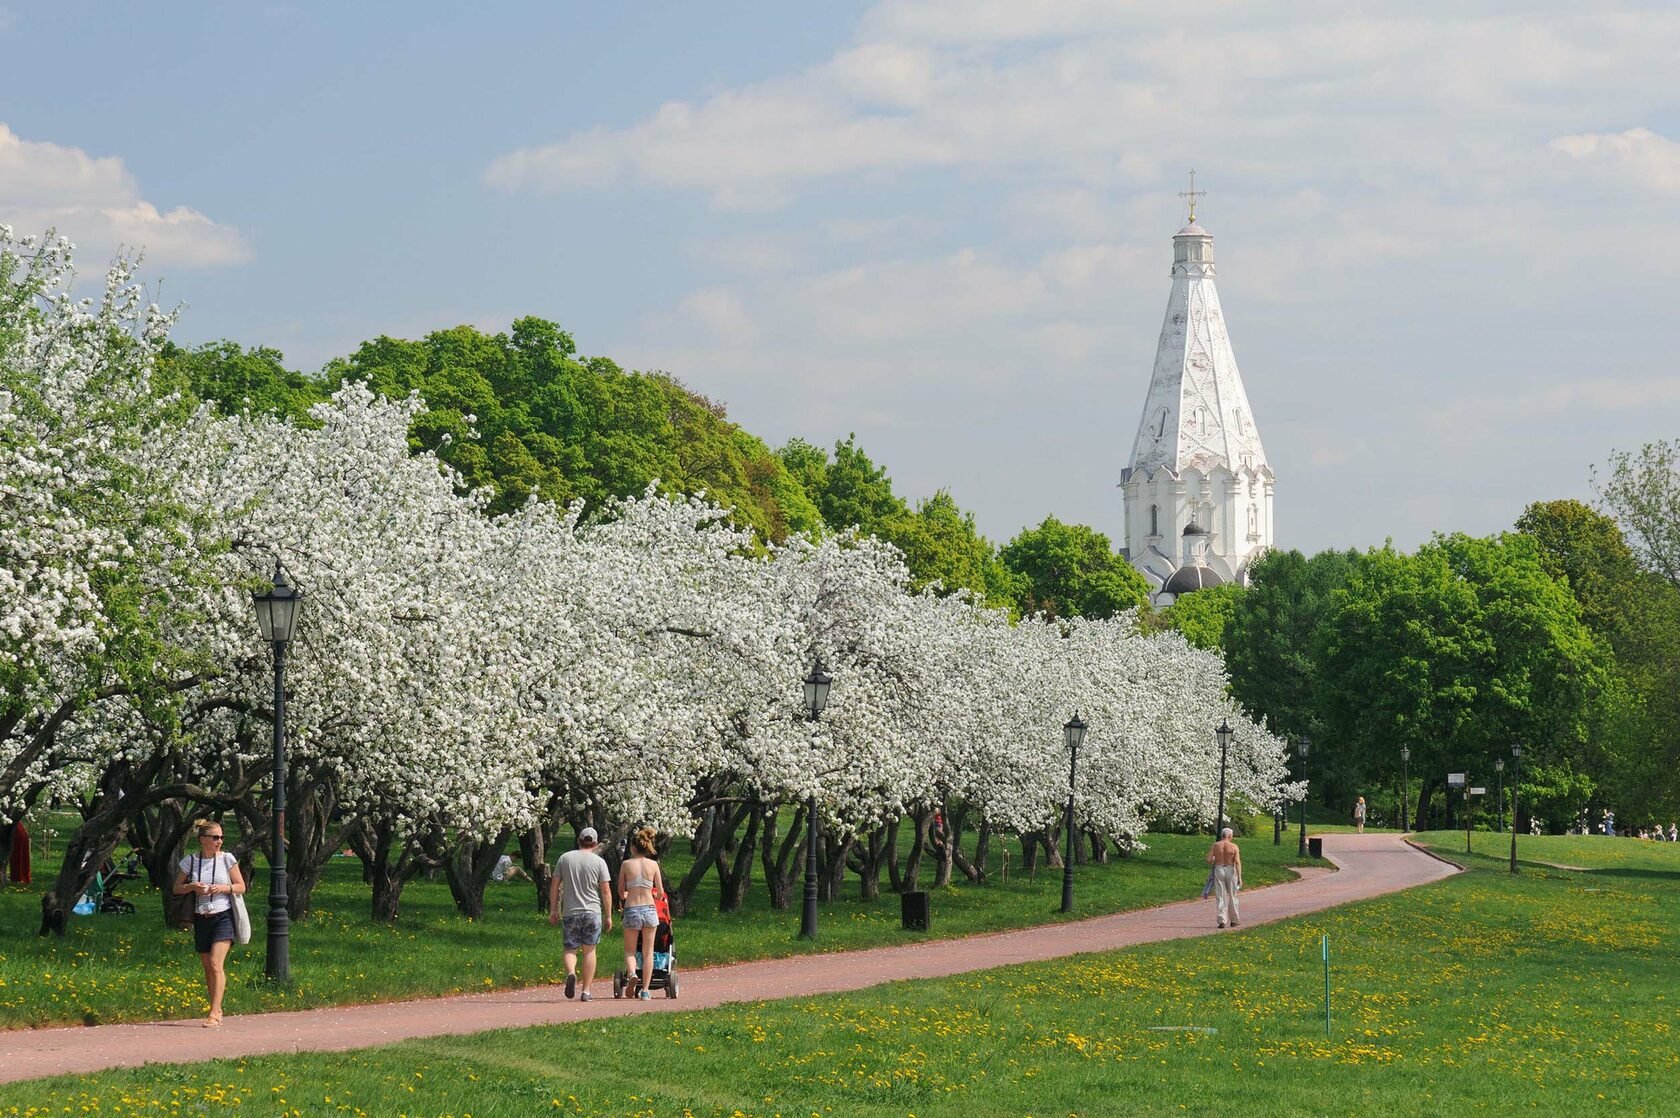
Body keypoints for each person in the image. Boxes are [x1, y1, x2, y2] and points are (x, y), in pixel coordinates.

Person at [174, 819, 245, 1027]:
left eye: (222, 837)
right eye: (215, 837)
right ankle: (217, 1006)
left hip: (223, 916)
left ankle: (214, 1013)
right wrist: (192, 886)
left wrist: (223, 888)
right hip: (201, 917)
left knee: (216, 963)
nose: (220, 841)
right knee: (208, 968)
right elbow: (176, 888)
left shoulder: (227, 859)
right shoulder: (191, 861)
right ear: (202, 839)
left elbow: (241, 886)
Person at [549, 826, 612, 1002]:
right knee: (589, 951)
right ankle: (586, 991)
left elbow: (554, 885)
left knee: (570, 948)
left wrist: (553, 909)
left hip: (571, 911)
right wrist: (608, 916)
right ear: (595, 843)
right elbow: (606, 891)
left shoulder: (565, 858)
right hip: (592, 912)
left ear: (578, 840)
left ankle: (571, 973)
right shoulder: (599, 862)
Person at [618, 826, 667, 1000]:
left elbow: (621, 891)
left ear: (632, 848)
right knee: (648, 952)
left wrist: (626, 895)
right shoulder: (653, 865)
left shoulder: (626, 865)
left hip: (632, 908)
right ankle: (645, 990)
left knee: (630, 951)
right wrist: (654, 894)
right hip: (649, 909)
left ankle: (632, 974)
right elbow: (660, 892)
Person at [1206, 827, 1243, 929]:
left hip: (1219, 869)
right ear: (1230, 836)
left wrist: (1215, 859)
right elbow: (1237, 862)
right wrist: (1239, 877)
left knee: (1220, 895)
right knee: (1232, 895)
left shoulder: (1216, 845)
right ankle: (1234, 920)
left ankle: (1222, 920)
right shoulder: (1234, 846)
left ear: (1222, 835)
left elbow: (1209, 859)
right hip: (1230, 869)